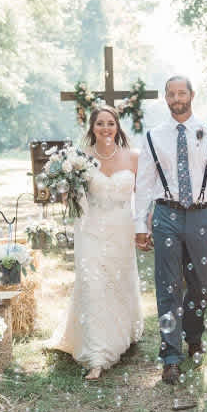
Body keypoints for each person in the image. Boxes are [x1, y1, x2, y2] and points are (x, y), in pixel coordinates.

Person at [135, 76, 207, 384]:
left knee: (201, 283)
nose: (177, 98)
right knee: (168, 285)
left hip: (201, 215)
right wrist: (140, 223)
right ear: (165, 98)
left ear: (191, 95)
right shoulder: (154, 136)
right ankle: (170, 356)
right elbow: (144, 182)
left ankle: (194, 336)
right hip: (166, 214)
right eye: (171, 94)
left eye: (182, 93)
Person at [49, 106, 143, 380]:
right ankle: (97, 354)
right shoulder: (79, 157)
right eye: (100, 123)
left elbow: (143, 196)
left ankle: (121, 332)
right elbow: (69, 198)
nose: (105, 128)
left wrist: (142, 228)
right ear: (92, 127)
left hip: (121, 229)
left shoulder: (134, 157)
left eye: (110, 123)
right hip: (89, 229)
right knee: (92, 285)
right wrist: (65, 188)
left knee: (118, 282)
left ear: (117, 126)